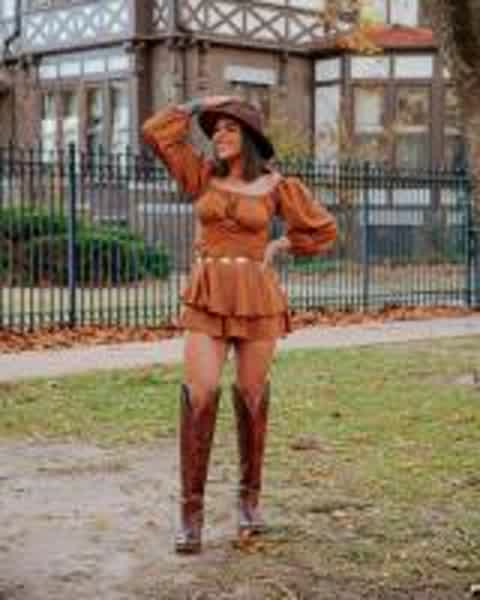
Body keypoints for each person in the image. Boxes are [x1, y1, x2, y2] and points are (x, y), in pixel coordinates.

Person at [142, 95, 337, 554]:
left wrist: (280, 246)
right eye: (215, 130)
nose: (219, 136)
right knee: (200, 393)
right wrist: (198, 105)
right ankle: (191, 516)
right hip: (208, 295)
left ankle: (249, 504)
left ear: (249, 137)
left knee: (251, 396)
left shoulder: (277, 186)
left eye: (229, 128)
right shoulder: (201, 175)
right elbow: (155, 131)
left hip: (257, 299)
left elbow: (323, 229)